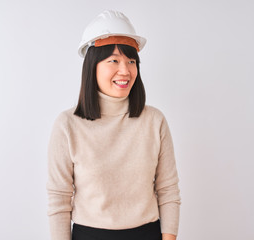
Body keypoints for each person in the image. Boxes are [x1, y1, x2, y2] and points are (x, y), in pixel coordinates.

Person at [46, 10, 181, 240]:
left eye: (131, 61)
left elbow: (168, 191)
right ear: (93, 66)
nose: (125, 70)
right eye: (114, 61)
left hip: (147, 233)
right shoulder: (67, 125)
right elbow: (59, 200)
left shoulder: (154, 121)